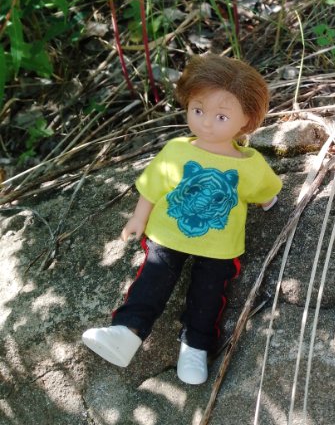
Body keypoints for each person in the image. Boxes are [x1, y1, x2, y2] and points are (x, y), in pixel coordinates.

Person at [82, 54, 282, 385]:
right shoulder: (176, 151)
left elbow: (263, 188)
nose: (205, 123)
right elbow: (153, 187)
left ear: (246, 120)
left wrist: (268, 200)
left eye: (221, 116)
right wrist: (138, 219)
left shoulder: (249, 163)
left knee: (209, 293)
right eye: (198, 110)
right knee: (153, 278)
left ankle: (195, 347)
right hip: (167, 234)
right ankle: (126, 332)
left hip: (219, 246)